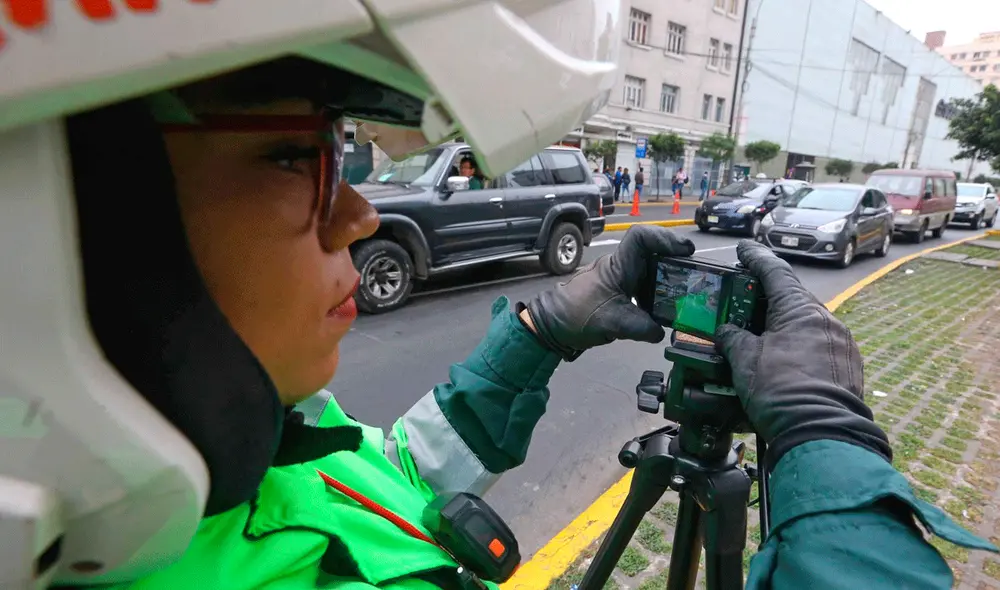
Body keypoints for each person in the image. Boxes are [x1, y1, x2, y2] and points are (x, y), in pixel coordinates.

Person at [0, 4, 996, 590]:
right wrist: (826, 455)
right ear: (70, 218)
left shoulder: (214, 457)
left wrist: (533, 333)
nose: (353, 213)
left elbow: (373, 481)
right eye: (294, 157)